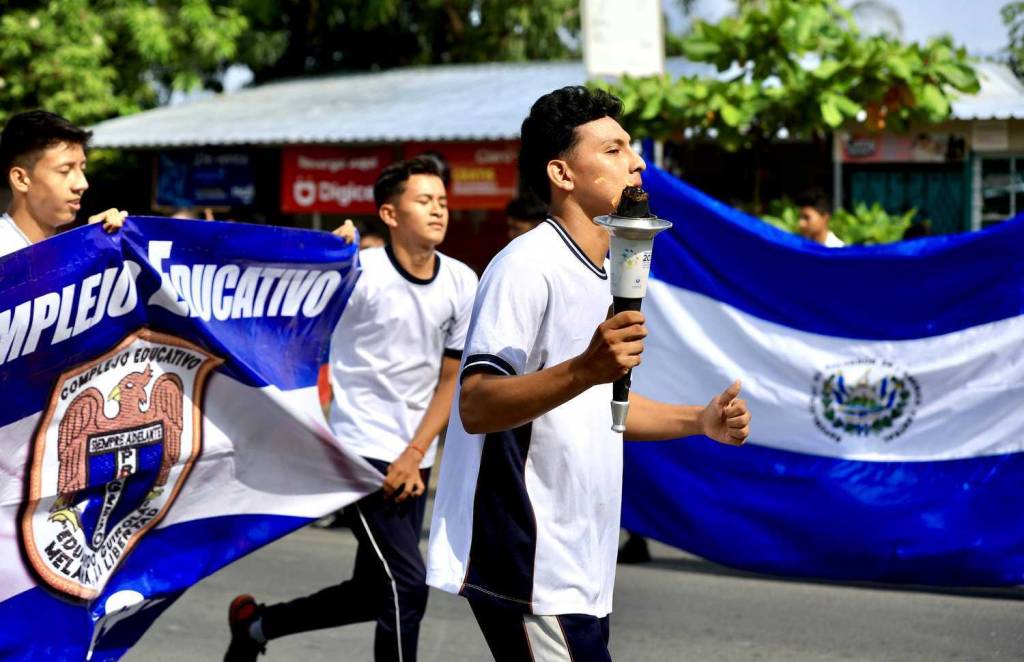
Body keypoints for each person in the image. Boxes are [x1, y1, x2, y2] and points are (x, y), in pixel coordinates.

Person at [426, 86, 751, 661]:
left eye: (632, 148)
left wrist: (699, 420)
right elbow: (475, 404)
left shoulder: (607, 269)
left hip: (580, 562)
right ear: (562, 172)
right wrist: (583, 369)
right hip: (532, 563)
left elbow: (602, 404)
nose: (638, 161)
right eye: (613, 149)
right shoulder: (526, 265)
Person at [226, 156, 478, 662]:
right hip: (357, 451)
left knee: (375, 590)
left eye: (443, 202)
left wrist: (417, 451)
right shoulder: (357, 273)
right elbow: (273, 293)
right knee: (407, 587)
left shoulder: (461, 282)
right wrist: (324, 254)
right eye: (424, 201)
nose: (438, 211)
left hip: (414, 457)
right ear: (389, 213)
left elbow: (451, 378)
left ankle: (257, 627)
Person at [0, 110, 127, 258]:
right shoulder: (5, 254)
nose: (82, 184)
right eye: (65, 171)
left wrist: (91, 240)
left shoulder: (66, 250)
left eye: (83, 169)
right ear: (21, 179)